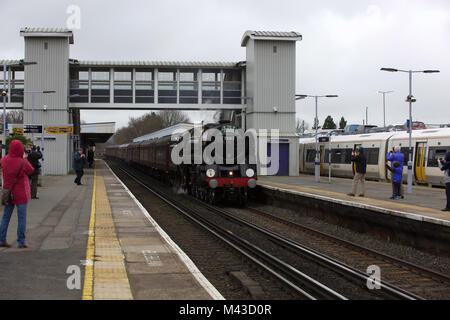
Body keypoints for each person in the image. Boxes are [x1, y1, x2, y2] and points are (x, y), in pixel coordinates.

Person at [0, 140, 35, 248]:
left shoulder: (4, 160)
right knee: (21, 218)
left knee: (5, 217)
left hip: (8, 193)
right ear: (20, 149)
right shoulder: (22, 162)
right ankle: (21, 241)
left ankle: (2, 239)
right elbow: (31, 170)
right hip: (21, 194)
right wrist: (24, 158)